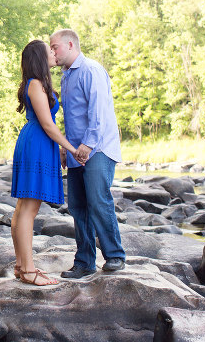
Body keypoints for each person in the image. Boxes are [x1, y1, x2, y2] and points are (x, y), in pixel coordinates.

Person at [49, 29, 127, 278]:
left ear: (70, 44)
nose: (52, 53)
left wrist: (89, 145)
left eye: (55, 47)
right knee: (78, 206)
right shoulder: (65, 76)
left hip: (98, 149)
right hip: (76, 151)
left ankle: (115, 256)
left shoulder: (91, 70)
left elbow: (99, 111)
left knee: (98, 200)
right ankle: (84, 261)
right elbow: (71, 118)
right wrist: (65, 148)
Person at [11, 40, 85, 286]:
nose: (54, 53)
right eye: (49, 51)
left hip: (39, 143)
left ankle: (22, 266)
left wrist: (61, 150)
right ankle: (29, 270)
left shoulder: (35, 84)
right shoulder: (35, 85)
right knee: (28, 209)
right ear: (40, 58)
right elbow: (48, 125)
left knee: (24, 208)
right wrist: (71, 148)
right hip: (37, 143)